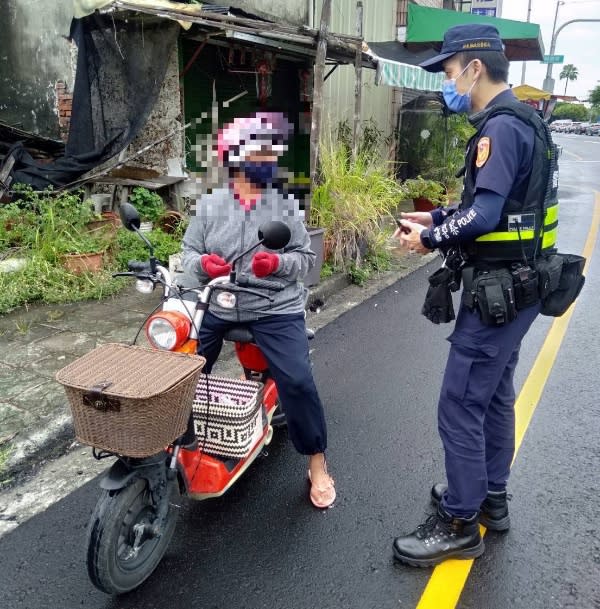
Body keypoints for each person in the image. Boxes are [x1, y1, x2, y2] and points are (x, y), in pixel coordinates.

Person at [391, 24, 559, 566]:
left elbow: (485, 215)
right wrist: (436, 215)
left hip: (501, 293)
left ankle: (459, 521)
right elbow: (505, 211)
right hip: (520, 287)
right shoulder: (524, 121)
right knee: (493, 396)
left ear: (474, 67)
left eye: (448, 69)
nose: (446, 80)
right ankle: (492, 497)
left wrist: (431, 237)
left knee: (461, 401)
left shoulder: (500, 129)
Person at [180, 111, 336, 509]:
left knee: (298, 381)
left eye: (269, 153)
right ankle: (179, 439)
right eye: (258, 153)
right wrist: (203, 267)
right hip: (221, 300)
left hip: (273, 306)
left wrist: (277, 265)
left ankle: (317, 462)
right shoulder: (211, 205)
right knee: (178, 370)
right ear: (234, 156)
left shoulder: (284, 205)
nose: (266, 160)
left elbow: (305, 259)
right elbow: (189, 253)